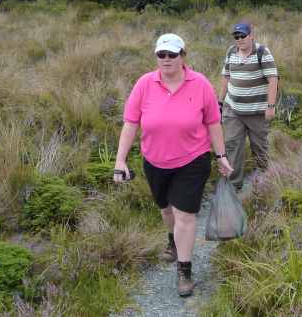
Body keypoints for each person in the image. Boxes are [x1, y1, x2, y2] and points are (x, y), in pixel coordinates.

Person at [113, 33, 233, 298]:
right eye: (161, 55)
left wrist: (220, 155)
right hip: (155, 161)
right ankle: (173, 241)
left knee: (185, 215)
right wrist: (120, 160)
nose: (166, 60)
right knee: (166, 210)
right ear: (156, 56)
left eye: (172, 54)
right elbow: (131, 123)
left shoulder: (200, 84)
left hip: (193, 160)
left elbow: (213, 122)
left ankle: (185, 270)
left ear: (183, 55)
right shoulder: (144, 84)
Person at [218, 22, 278, 190]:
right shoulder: (231, 52)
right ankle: (234, 185)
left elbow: (273, 79)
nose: (240, 39)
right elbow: (226, 77)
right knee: (232, 146)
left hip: (256, 112)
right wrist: (220, 102)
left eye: (243, 36)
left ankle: (265, 178)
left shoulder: (262, 53)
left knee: (259, 147)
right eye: (236, 37)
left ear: (251, 35)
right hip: (233, 110)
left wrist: (271, 106)